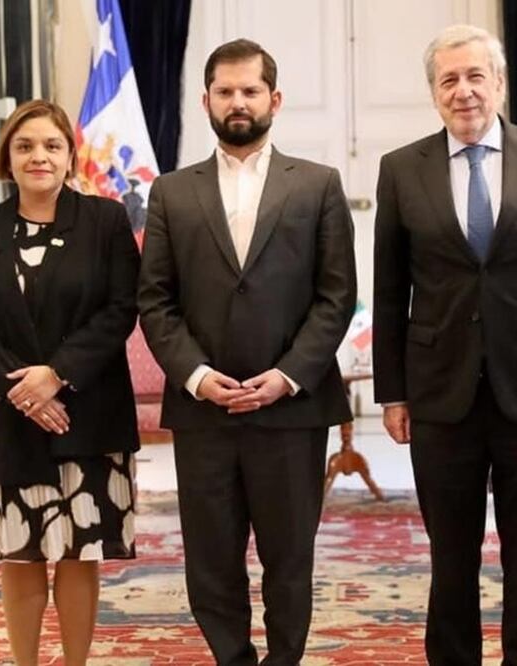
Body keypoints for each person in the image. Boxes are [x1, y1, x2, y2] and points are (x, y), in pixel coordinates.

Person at [372, 25, 517, 665]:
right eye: (449, 80)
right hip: (440, 393)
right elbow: (389, 291)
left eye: (476, 76)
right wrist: (392, 392)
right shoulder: (400, 169)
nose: (464, 91)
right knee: (452, 557)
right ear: (433, 93)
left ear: (498, 84)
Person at [138, 39, 357, 666]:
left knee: (290, 559)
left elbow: (336, 295)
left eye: (250, 91)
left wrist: (288, 375)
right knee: (211, 560)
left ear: (274, 99)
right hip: (205, 410)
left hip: (291, 408)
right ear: (205, 100)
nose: (238, 102)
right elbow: (155, 301)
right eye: (225, 91)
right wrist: (197, 377)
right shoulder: (173, 193)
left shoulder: (317, 185)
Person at [0, 99, 140, 666]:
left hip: (88, 410)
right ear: (8, 156)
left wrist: (56, 376)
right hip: (5, 417)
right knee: (22, 552)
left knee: (79, 551)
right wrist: (21, 391)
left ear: (69, 156)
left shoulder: (104, 221)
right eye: (25, 145)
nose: (39, 156)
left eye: (52, 146)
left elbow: (119, 310)